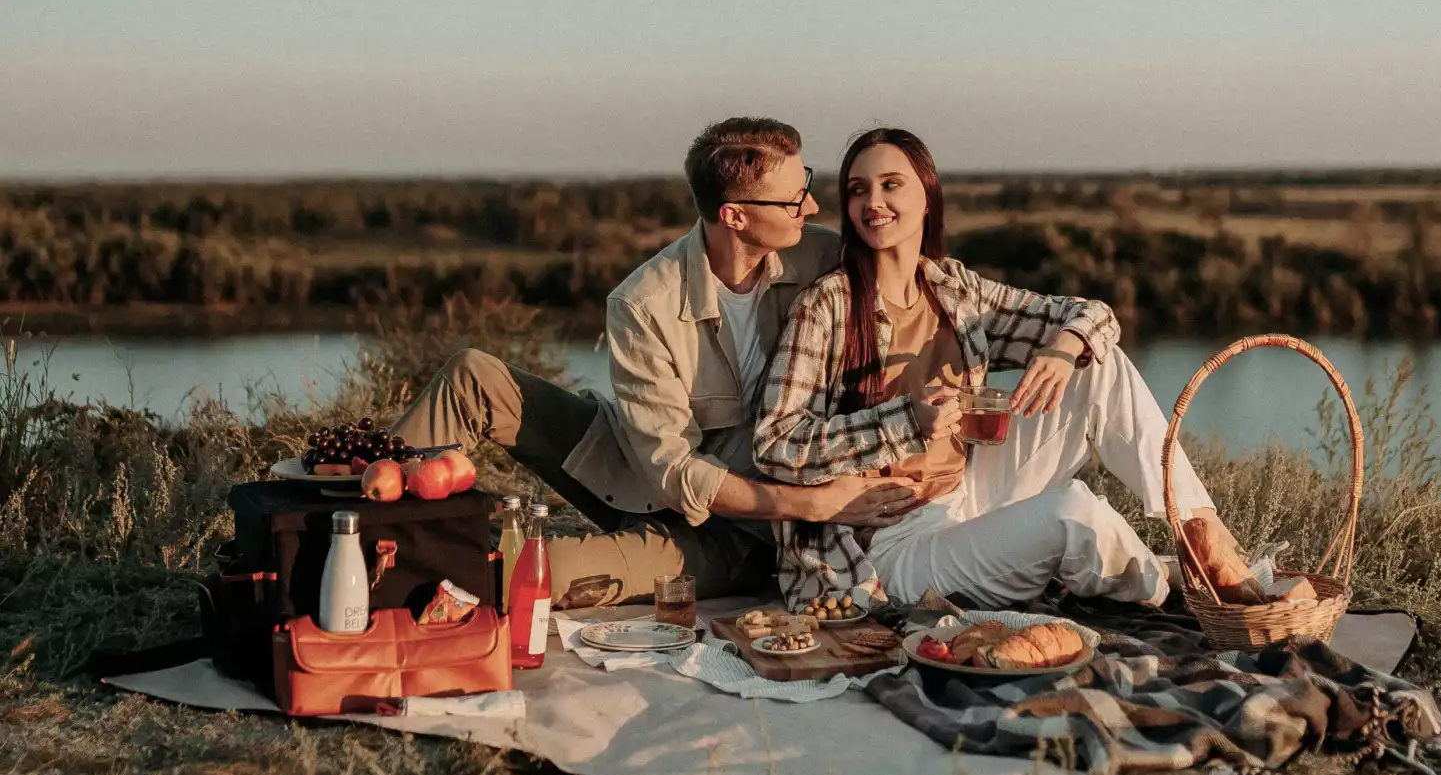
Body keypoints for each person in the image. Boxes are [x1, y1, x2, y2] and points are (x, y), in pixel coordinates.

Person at [390, 117, 922, 608]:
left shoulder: (820, 256)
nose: (809, 208)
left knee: (525, 570)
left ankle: (395, 568)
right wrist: (815, 505)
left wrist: (1000, 361)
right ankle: (373, 520)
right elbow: (670, 470)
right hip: (647, 477)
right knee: (471, 375)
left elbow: (935, 290)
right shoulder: (643, 301)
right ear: (734, 215)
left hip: (739, 532)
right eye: (793, 200)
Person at [754, 127, 1242, 609]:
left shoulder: (955, 289)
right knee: (1073, 513)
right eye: (857, 190)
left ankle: (1202, 534)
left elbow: (1095, 316)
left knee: (1098, 363)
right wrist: (906, 421)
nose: (873, 202)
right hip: (890, 543)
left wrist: (1062, 348)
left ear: (928, 195)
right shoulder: (827, 307)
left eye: (891, 184)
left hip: (968, 493)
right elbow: (775, 444)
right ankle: (1179, 585)